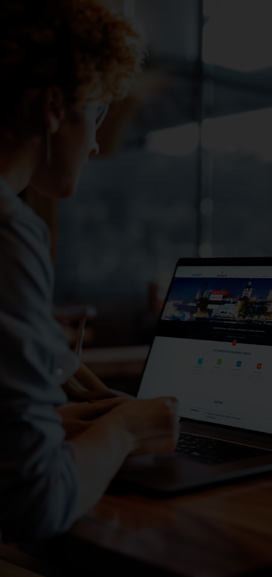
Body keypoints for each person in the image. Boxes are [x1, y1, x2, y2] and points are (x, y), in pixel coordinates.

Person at [0, 0, 178, 542]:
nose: (98, 142)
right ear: (55, 106)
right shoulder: (10, 231)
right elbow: (34, 504)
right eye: (97, 112)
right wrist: (124, 428)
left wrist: (51, 428)